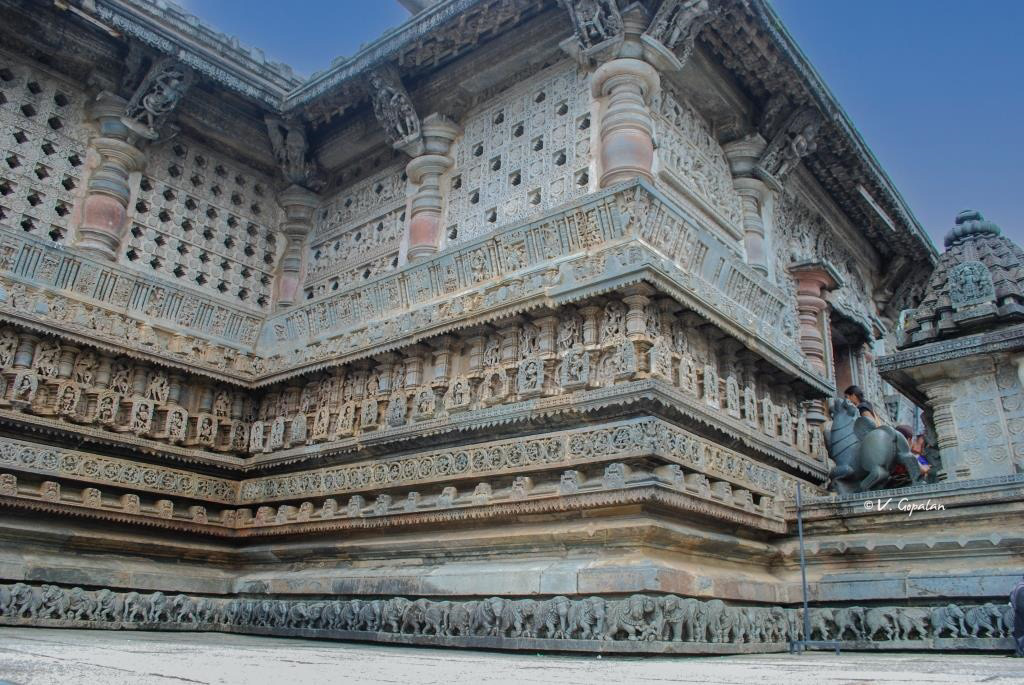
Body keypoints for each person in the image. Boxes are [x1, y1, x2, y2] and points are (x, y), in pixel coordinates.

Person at [1012, 575, 1024, 657]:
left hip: (1018, 612)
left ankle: (1020, 651)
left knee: (1020, 632)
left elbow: (1012, 599)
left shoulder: (1017, 587)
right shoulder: (1021, 588)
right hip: (1021, 610)